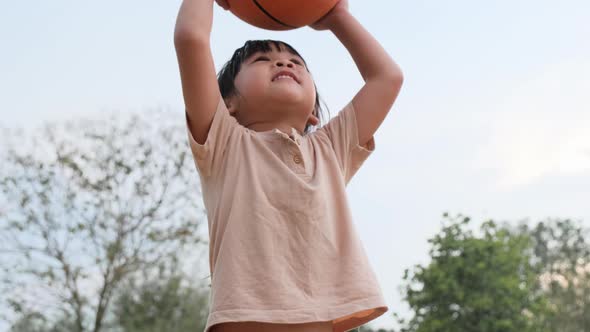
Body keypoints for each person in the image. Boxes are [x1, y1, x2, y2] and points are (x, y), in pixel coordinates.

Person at [173, 0, 403, 331]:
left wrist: (337, 17)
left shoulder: (330, 148)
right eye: (263, 60)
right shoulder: (223, 141)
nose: (284, 62)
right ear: (228, 104)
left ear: (313, 112)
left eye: (297, 62)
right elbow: (190, 38)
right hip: (245, 320)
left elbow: (387, 77)